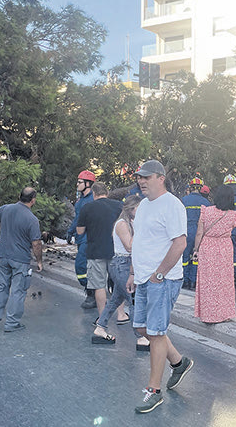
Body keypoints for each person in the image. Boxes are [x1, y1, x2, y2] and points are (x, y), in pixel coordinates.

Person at [125, 160, 192, 414]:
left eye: (147, 177)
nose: (141, 181)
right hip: (143, 278)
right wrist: (133, 272)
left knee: (155, 331)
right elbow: (140, 241)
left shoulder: (173, 205)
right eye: (139, 177)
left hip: (161, 280)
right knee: (142, 328)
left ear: (160, 178)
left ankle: (154, 391)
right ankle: (178, 362)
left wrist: (160, 274)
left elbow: (180, 243)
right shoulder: (142, 207)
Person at [92, 195, 148, 350]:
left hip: (127, 264)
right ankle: (140, 337)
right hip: (121, 264)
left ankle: (100, 327)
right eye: (138, 208)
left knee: (116, 299)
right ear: (131, 209)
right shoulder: (122, 224)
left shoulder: (132, 222)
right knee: (133, 299)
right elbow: (130, 246)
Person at [0, 187, 43, 332]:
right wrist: (39, 261)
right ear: (33, 200)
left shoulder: (6, 209)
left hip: (3, 255)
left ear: (19, 195)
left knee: (1, 287)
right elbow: (36, 243)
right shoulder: (32, 219)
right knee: (18, 291)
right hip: (20, 259)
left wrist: (2, 229)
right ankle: (11, 323)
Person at [76, 182, 123, 326]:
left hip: (95, 251)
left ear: (94, 194)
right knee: (117, 284)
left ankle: (102, 318)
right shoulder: (119, 206)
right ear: (107, 193)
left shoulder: (87, 207)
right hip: (116, 250)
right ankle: (121, 314)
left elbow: (80, 231)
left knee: (99, 285)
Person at [192, 185, 236, 323]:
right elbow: (232, 228)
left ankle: (208, 314)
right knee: (224, 282)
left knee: (208, 281)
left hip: (208, 246)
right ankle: (224, 314)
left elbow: (199, 232)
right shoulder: (234, 215)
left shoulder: (206, 211)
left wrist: (196, 249)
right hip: (225, 247)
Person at [67, 170, 97, 309]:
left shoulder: (92, 200)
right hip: (81, 237)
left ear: (88, 184)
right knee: (85, 266)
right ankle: (91, 292)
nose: (77, 184)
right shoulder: (81, 200)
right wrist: (70, 231)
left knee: (81, 265)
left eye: (79, 182)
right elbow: (77, 219)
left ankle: (92, 294)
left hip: (89, 238)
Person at [180, 176, 210, 290]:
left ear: (191, 188)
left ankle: (184, 280)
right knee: (196, 257)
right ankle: (194, 281)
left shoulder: (184, 200)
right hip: (200, 233)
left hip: (186, 231)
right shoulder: (206, 202)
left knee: (185, 257)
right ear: (201, 188)